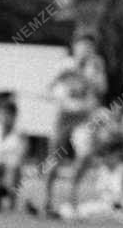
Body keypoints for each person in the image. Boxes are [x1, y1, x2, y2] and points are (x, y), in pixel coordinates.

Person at [39, 29, 108, 218]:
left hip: (84, 117)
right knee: (54, 161)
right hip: (64, 116)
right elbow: (49, 88)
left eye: (90, 46)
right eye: (82, 45)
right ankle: (48, 199)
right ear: (75, 46)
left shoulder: (96, 65)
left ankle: (72, 193)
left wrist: (86, 76)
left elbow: (102, 89)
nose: (86, 49)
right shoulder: (64, 64)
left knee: (86, 154)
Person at [0, 98, 27, 211]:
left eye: (9, 114)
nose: (6, 117)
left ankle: (11, 201)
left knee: (14, 170)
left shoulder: (21, 133)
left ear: (14, 116)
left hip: (12, 165)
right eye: (3, 113)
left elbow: (23, 154)